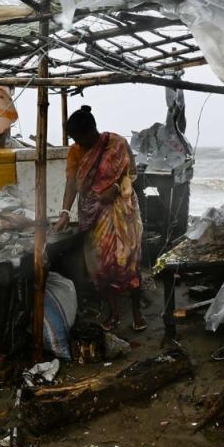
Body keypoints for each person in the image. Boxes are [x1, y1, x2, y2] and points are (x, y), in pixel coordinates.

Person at [54, 106, 147, 332]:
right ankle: (114, 312)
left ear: (92, 131)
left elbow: (131, 173)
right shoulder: (75, 152)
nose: (77, 142)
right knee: (101, 265)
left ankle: (136, 312)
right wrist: (65, 213)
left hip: (121, 210)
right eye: (74, 138)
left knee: (128, 261)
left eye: (80, 137)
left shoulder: (116, 143)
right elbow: (71, 183)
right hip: (93, 214)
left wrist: (115, 187)